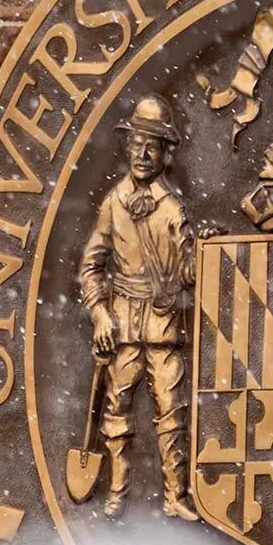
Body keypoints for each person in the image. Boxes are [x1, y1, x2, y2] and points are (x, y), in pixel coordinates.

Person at [78, 94, 212, 520]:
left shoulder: (174, 208)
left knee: (171, 413)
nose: (142, 153)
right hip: (121, 326)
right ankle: (117, 492)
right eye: (136, 143)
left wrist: (207, 251)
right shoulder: (112, 204)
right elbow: (91, 266)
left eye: (152, 145)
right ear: (127, 146)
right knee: (116, 412)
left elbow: (190, 272)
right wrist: (99, 314)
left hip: (163, 323)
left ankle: (175, 496)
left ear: (166, 153)